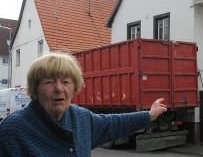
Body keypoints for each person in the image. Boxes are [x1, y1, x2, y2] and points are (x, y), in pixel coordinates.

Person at [0, 52, 167, 156]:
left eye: (66, 81)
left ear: (75, 88)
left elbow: (113, 124)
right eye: (49, 82)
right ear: (35, 89)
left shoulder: (81, 118)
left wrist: (149, 115)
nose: (59, 88)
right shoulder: (13, 129)